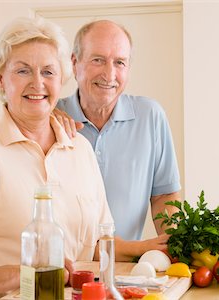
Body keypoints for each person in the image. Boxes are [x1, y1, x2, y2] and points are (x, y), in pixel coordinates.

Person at [0, 17, 135, 300]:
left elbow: (95, 246)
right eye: (22, 70)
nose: (37, 82)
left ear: (62, 79)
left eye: (48, 71)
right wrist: (28, 275)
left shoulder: (80, 150)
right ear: (1, 79)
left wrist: (153, 252)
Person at [56, 20, 181, 242]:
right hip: (63, 266)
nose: (109, 74)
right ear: (75, 63)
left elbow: (164, 195)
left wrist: (174, 245)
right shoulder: (52, 116)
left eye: (120, 62)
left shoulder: (150, 116)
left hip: (127, 268)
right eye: (98, 60)